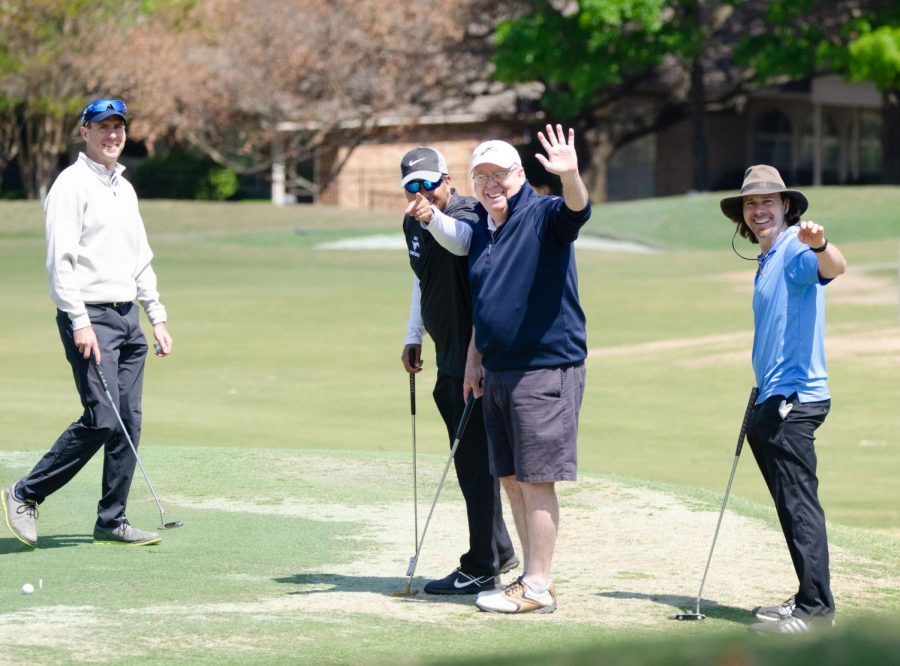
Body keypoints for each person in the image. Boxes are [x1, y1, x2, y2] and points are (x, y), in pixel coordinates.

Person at [405, 124, 591, 614]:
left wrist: (570, 174)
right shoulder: (487, 228)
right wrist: (472, 359)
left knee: (536, 479)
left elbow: (577, 211)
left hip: (544, 368)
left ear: (520, 174)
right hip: (498, 369)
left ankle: (538, 586)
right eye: (482, 175)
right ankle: (527, 578)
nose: (492, 184)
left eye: (500, 174)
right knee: (510, 477)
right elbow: (485, 305)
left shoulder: (541, 213)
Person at [2, 98, 173, 548]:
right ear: (85, 133)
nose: (112, 135)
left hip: (127, 318)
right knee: (101, 418)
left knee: (128, 422)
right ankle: (24, 493)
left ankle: (111, 519)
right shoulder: (70, 185)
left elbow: (141, 258)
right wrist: (78, 321)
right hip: (91, 316)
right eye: (103, 127)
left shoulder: (124, 188)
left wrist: (156, 316)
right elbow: (60, 262)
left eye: (118, 127)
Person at [720, 164, 846, 633]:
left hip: (794, 402)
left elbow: (834, 267)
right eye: (751, 204)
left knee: (799, 505)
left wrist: (820, 244)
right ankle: (808, 597)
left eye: (767, 202)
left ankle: (817, 611)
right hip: (771, 400)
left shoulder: (795, 248)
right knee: (790, 507)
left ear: (786, 206)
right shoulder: (769, 258)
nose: (758, 211)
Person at [399, 146, 518, 594]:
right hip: (445, 358)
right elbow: (420, 278)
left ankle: (480, 564)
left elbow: (459, 241)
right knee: (472, 463)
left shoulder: (469, 213)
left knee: (474, 466)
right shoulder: (414, 221)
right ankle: (499, 550)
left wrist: (429, 216)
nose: (423, 192)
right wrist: (413, 334)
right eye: (413, 186)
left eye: (430, 182)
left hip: (476, 364)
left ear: (448, 179)